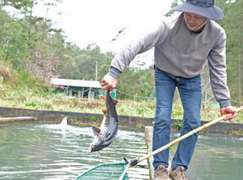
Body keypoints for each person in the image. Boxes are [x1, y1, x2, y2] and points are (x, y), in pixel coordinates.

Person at [100, 0, 238, 179]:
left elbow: (218, 68)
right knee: (163, 117)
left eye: (197, 16)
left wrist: (224, 101)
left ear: (208, 16)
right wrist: (114, 72)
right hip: (165, 73)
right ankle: (160, 168)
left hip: (191, 78)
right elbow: (136, 44)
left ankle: (179, 168)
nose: (191, 19)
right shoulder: (167, 26)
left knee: (193, 122)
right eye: (188, 14)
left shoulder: (217, 34)